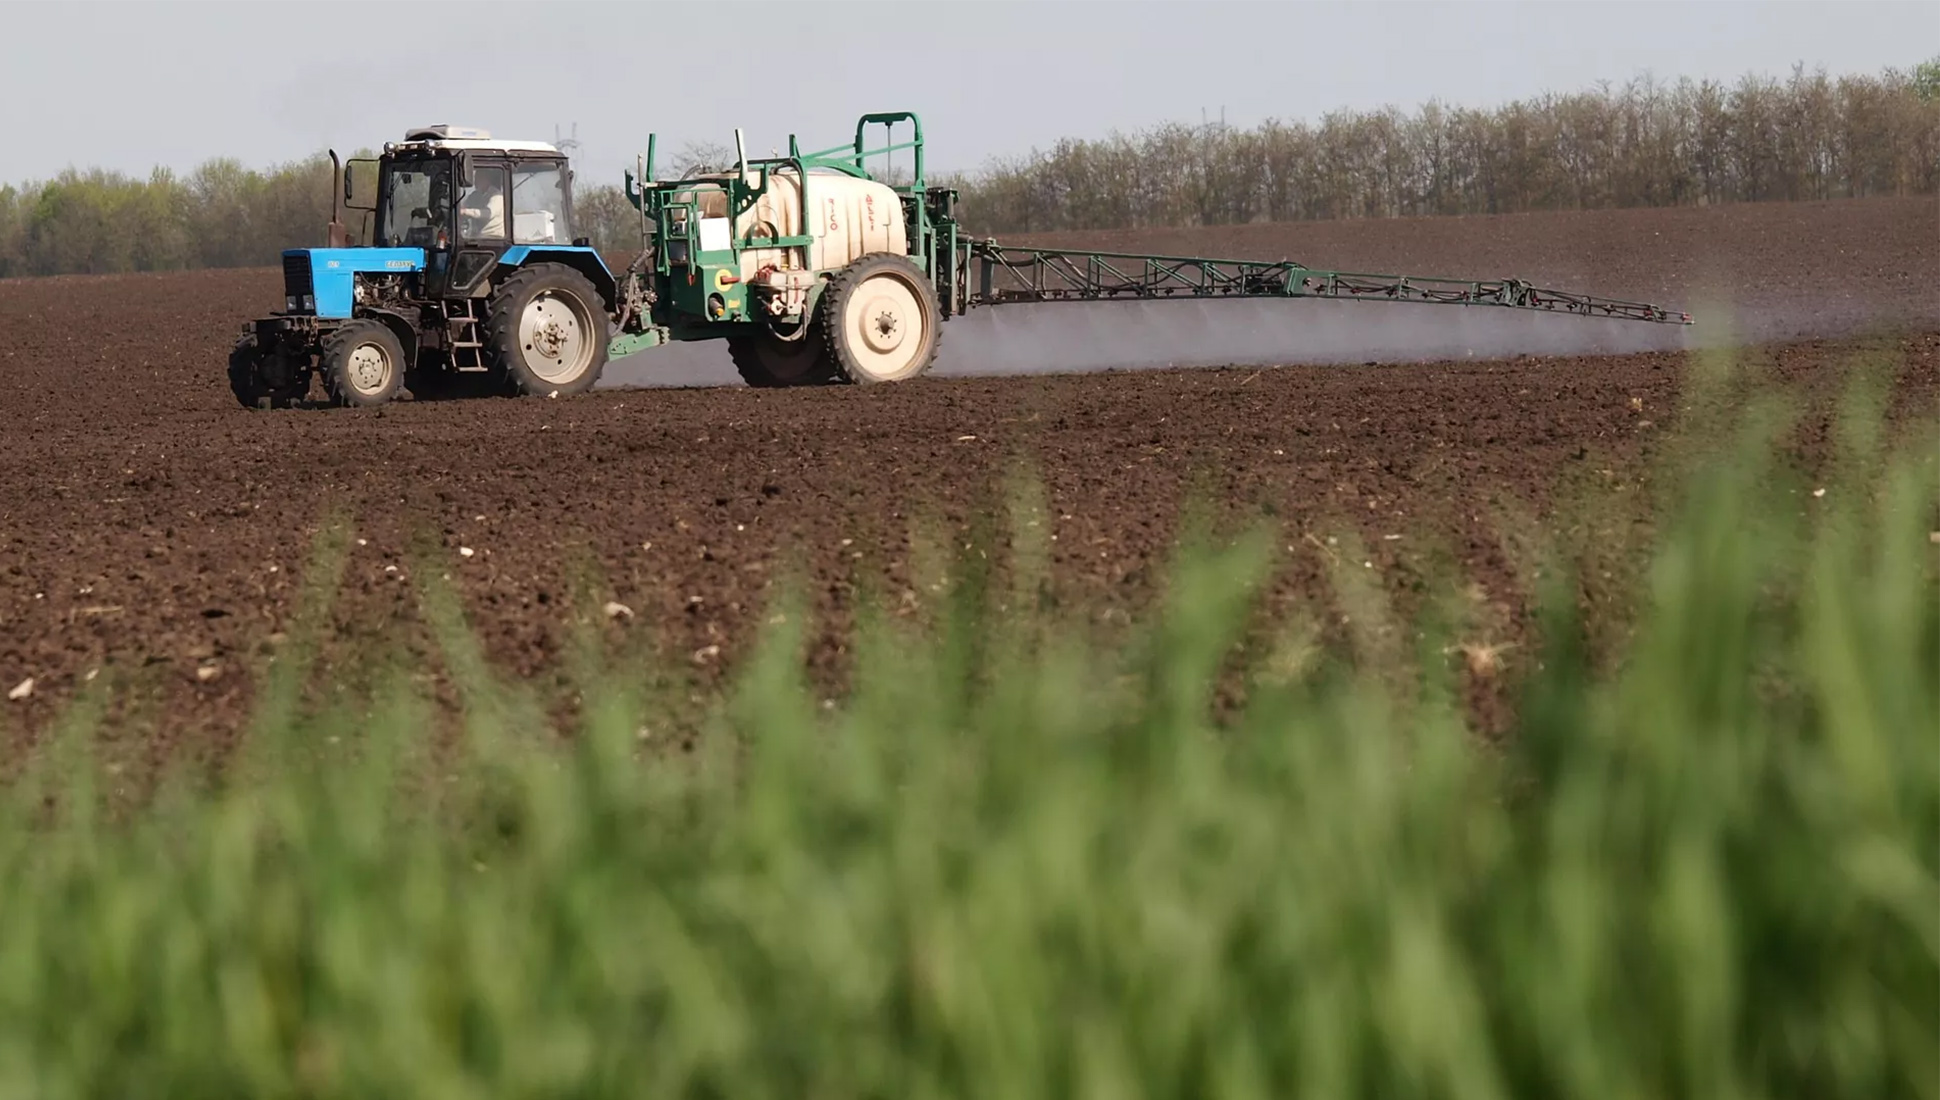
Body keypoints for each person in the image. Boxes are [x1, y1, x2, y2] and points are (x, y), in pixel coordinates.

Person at [458, 173, 505, 239]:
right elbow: (464, 206)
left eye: (478, 178)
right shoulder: (475, 195)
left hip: (493, 236)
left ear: (486, 179)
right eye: (474, 179)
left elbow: (488, 214)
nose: (475, 182)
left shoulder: (497, 196)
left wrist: (465, 211)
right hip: (478, 235)